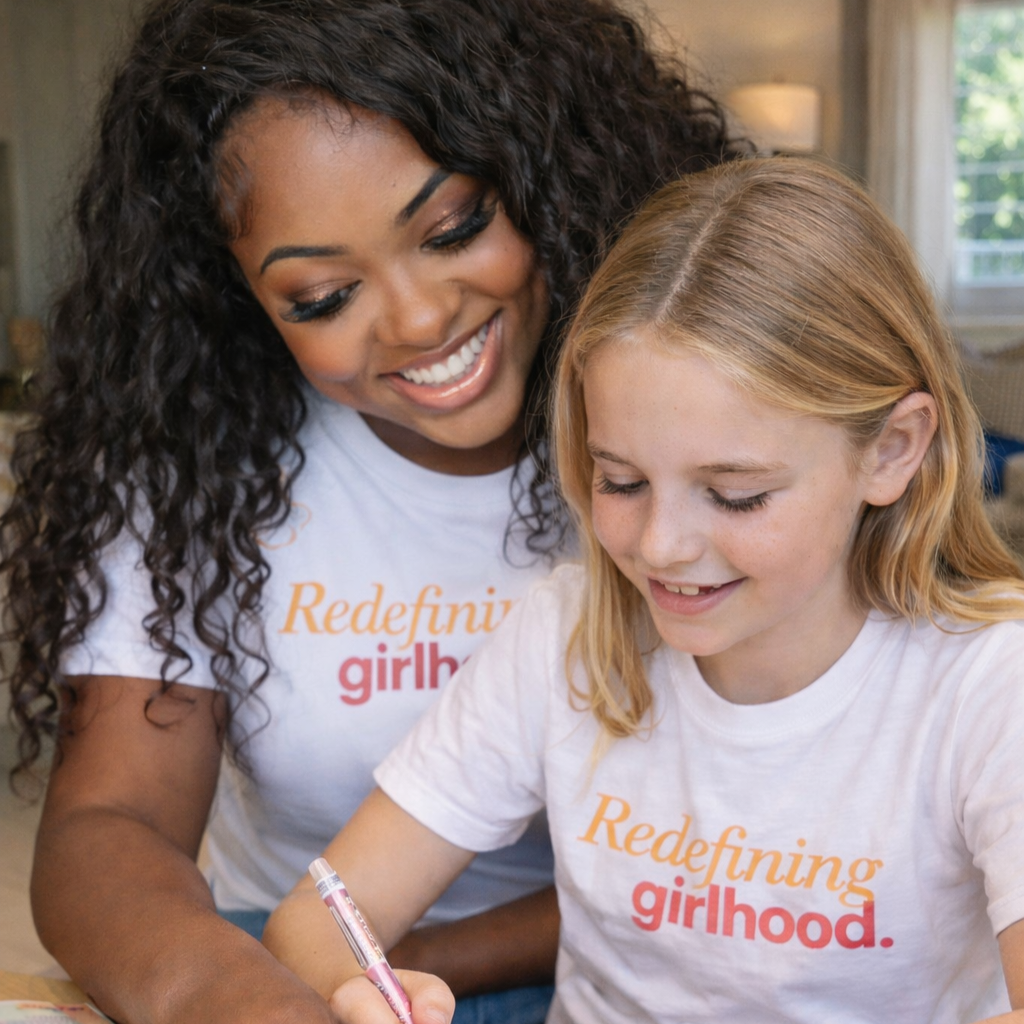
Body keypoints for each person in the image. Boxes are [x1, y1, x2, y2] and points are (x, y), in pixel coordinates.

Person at [0, 0, 739, 1021]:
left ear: (551, 174)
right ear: (239, 303)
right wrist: (242, 996)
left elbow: (775, 845)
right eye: (319, 297)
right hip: (286, 970)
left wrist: (417, 958)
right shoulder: (195, 466)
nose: (420, 318)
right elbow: (108, 823)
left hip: (652, 962)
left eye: (455, 227)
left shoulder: (717, 443)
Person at [262, 159, 1024, 1024]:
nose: (660, 547)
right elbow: (313, 921)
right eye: (620, 481)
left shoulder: (991, 684)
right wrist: (358, 992)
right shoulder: (564, 633)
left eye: (737, 494)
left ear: (891, 450)